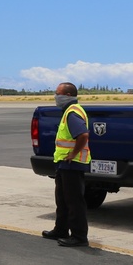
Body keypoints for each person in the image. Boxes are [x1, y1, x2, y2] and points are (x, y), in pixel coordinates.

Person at [42, 82, 91, 247]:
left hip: (72, 164)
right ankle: (61, 230)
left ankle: (79, 237)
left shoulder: (72, 113)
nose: (56, 97)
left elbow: (83, 135)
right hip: (64, 164)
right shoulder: (68, 111)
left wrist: (73, 153)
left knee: (74, 201)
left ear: (68, 96)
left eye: (58, 93)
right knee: (62, 200)